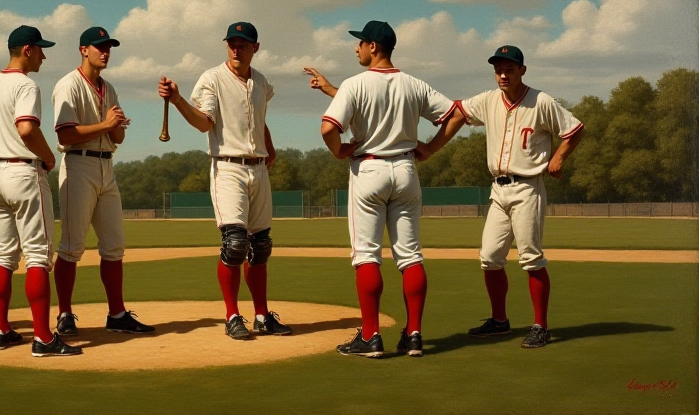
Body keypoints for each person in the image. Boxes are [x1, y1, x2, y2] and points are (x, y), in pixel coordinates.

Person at [307, 20, 462, 357]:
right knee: (410, 256)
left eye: (360, 43)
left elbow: (327, 128)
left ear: (373, 46)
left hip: (369, 170)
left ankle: (371, 336)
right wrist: (431, 148)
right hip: (406, 170)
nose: (356, 48)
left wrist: (339, 150)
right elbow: (456, 115)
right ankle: (415, 335)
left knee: (367, 255)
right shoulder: (414, 84)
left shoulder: (355, 84)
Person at [157, 21, 293, 340]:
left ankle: (262, 316)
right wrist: (178, 101)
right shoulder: (212, 78)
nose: (236, 48)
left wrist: (269, 147)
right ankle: (232, 315)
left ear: (255, 48)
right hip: (227, 167)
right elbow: (205, 124)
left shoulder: (260, 82)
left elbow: (259, 120)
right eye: (232, 42)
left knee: (260, 247)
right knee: (235, 244)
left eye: (243, 43)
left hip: (259, 168)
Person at [0, 25, 82, 357]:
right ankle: (42, 338)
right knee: (38, 256)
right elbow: (26, 128)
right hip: (24, 173)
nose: (43, 54)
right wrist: (49, 155)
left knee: (3, 256)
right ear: (26, 50)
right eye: (40, 49)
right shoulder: (27, 84)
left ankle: (0, 330)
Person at [446, 45, 584, 349]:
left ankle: (541, 326)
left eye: (509, 69)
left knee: (531, 258)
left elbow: (574, 129)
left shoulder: (541, 101)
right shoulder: (487, 100)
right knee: (489, 258)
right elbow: (457, 110)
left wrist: (559, 157)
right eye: (498, 69)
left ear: (522, 70)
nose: (503, 74)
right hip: (498, 189)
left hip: (527, 187)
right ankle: (499, 321)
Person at [51, 26, 155, 337]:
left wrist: (116, 125)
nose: (105, 51)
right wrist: (106, 124)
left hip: (106, 166)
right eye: (99, 47)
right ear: (83, 50)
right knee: (71, 247)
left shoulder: (108, 88)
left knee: (114, 246)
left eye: (108, 46)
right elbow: (65, 133)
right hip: (78, 164)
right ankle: (64, 314)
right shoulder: (68, 85)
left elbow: (117, 137)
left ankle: (117, 314)